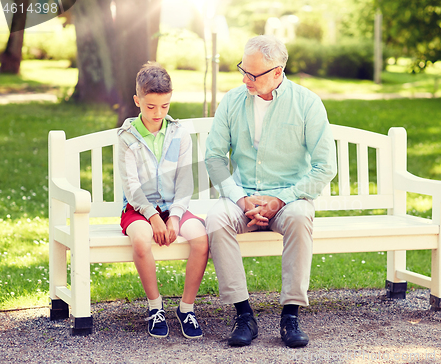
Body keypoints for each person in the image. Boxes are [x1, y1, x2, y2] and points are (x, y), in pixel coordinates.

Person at [205, 35, 337, 348]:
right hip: (243, 197)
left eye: (253, 74)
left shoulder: (307, 103)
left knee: (300, 216)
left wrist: (281, 200)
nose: (244, 79)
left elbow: (324, 167)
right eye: (243, 70)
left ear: (277, 73)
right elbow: (214, 157)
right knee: (215, 218)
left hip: (288, 198)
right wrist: (241, 199)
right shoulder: (232, 100)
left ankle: (290, 315)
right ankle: (244, 314)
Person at [118, 62, 209, 339]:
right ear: (137, 101)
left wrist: (175, 215)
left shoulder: (179, 134)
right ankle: (155, 308)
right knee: (142, 239)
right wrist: (154, 216)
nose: (158, 113)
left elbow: (185, 182)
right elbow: (131, 186)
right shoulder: (126, 137)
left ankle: (186, 309)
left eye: (165, 106)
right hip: (138, 209)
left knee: (201, 239)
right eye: (151, 107)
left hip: (175, 206)